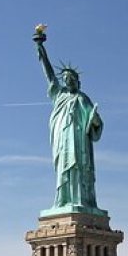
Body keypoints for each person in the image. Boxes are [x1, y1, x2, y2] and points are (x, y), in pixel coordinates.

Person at [36, 36, 103, 211]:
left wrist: (94, 119)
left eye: (71, 79)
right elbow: (50, 75)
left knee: (78, 169)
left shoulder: (82, 98)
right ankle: (63, 200)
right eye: (66, 79)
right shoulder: (59, 95)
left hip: (79, 141)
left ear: (78, 81)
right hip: (62, 139)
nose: (68, 81)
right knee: (62, 170)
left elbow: (96, 123)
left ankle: (81, 200)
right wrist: (41, 50)